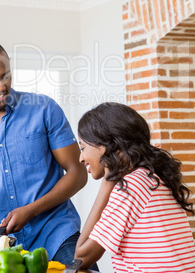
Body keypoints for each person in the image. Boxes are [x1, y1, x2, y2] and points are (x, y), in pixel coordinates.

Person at [0, 40, 88, 264]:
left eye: (6, 76)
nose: (1, 86)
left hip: (58, 235)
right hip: (5, 250)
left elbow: (78, 174)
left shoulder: (43, 109)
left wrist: (31, 210)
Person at [74, 102, 195, 273]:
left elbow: (80, 258)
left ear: (107, 146)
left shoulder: (131, 188)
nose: (81, 158)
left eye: (82, 147)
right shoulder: (154, 178)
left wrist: (108, 182)